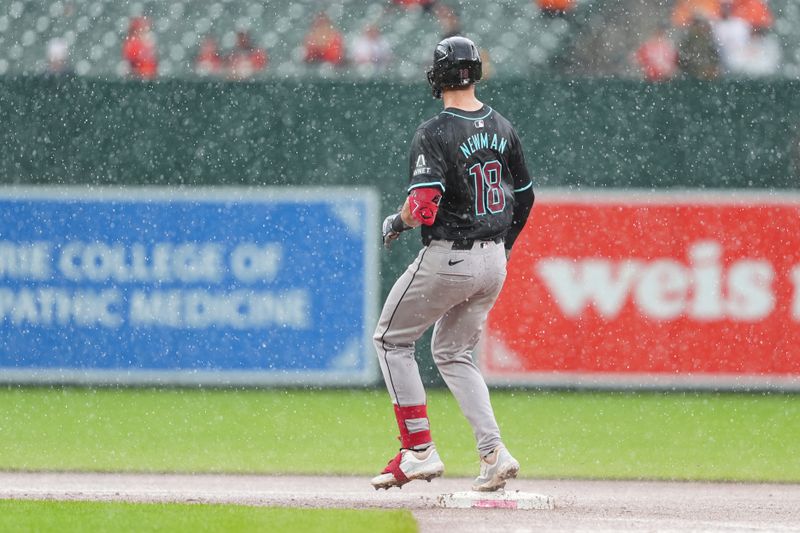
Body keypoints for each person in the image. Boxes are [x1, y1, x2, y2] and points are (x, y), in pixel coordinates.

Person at [371, 36, 535, 492]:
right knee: (453, 353)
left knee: (389, 340)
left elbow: (423, 205)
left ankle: (419, 450)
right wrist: (504, 247)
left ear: (440, 76)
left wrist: (396, 223)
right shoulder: (502, 126)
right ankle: (494, 453)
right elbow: (525, 197)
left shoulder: (435, 131)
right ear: (476, 71)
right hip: (492, 260)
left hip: (452, 253)